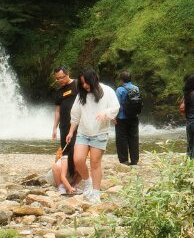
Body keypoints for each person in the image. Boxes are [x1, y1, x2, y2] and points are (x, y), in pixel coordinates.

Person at [65, 68, 119, 204]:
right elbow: (75, 114)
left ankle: (96, 193)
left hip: (100, 133)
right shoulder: (81, 95)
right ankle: (87, 182)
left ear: (93, 80)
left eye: (86, 83)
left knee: (95, 163)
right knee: (78, 159)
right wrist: (71, 132)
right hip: (83, 132)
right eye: (82, 83)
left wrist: (105, 113)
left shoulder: (107, 91)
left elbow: (115, 107)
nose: (84, 86)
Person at [51, 65, 78, 192]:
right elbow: (57, 111)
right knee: (65, 153)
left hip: (78, 126)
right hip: (64, 126)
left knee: (76, 151)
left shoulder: (78, 85)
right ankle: (65, 180)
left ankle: (74, 179)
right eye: (57, 79)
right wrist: (54, 128)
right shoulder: (59, 92)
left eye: (61, 77)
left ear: (68, 74)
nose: (60, 80)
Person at [115, 70, 141, 166]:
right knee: (134, 138)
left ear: (121, 80)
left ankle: (124, 160)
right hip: (134, 117)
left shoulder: (119, 90)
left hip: (122, 118)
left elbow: (116, 105)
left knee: (121, 139)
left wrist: (114, 117)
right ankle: (134, 160)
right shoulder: (136, 88)